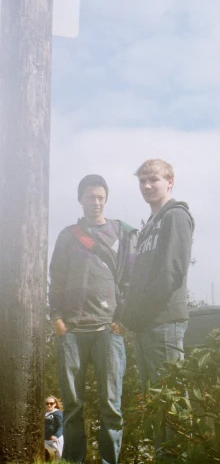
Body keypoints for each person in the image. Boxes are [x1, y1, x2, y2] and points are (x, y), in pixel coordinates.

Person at [48, 174, 137, 464]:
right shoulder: (68, 235)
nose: (95, 202)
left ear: (106, 199)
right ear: (80, 199)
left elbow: (131, 280)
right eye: (89, 197)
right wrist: (57, 318)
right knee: (72, 406)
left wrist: (122, 320)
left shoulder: (121, 234)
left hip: (108, 331)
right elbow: (56, 278)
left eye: (99, 196)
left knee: (111, 405)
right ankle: (74, 460)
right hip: (72, 331)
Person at [115, 158, 194, 460]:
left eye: (154, 180)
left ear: (170, 182)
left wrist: (137, 316)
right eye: (142, 181)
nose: (147, 186)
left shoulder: (176, 216)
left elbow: (171, 273)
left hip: (164, 323)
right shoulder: (149, 225)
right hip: (145, 325)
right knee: (155, 402)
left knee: (170, 402)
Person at [44, 395, 64, 460]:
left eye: (51, 403)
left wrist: (56, 435)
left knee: (57, 459)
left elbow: (61, 425)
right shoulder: (44, 413)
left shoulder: (57, 413)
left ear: (55, 404)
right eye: (47, 403)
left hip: (55, 440)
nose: (49, 405)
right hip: (46, 440)